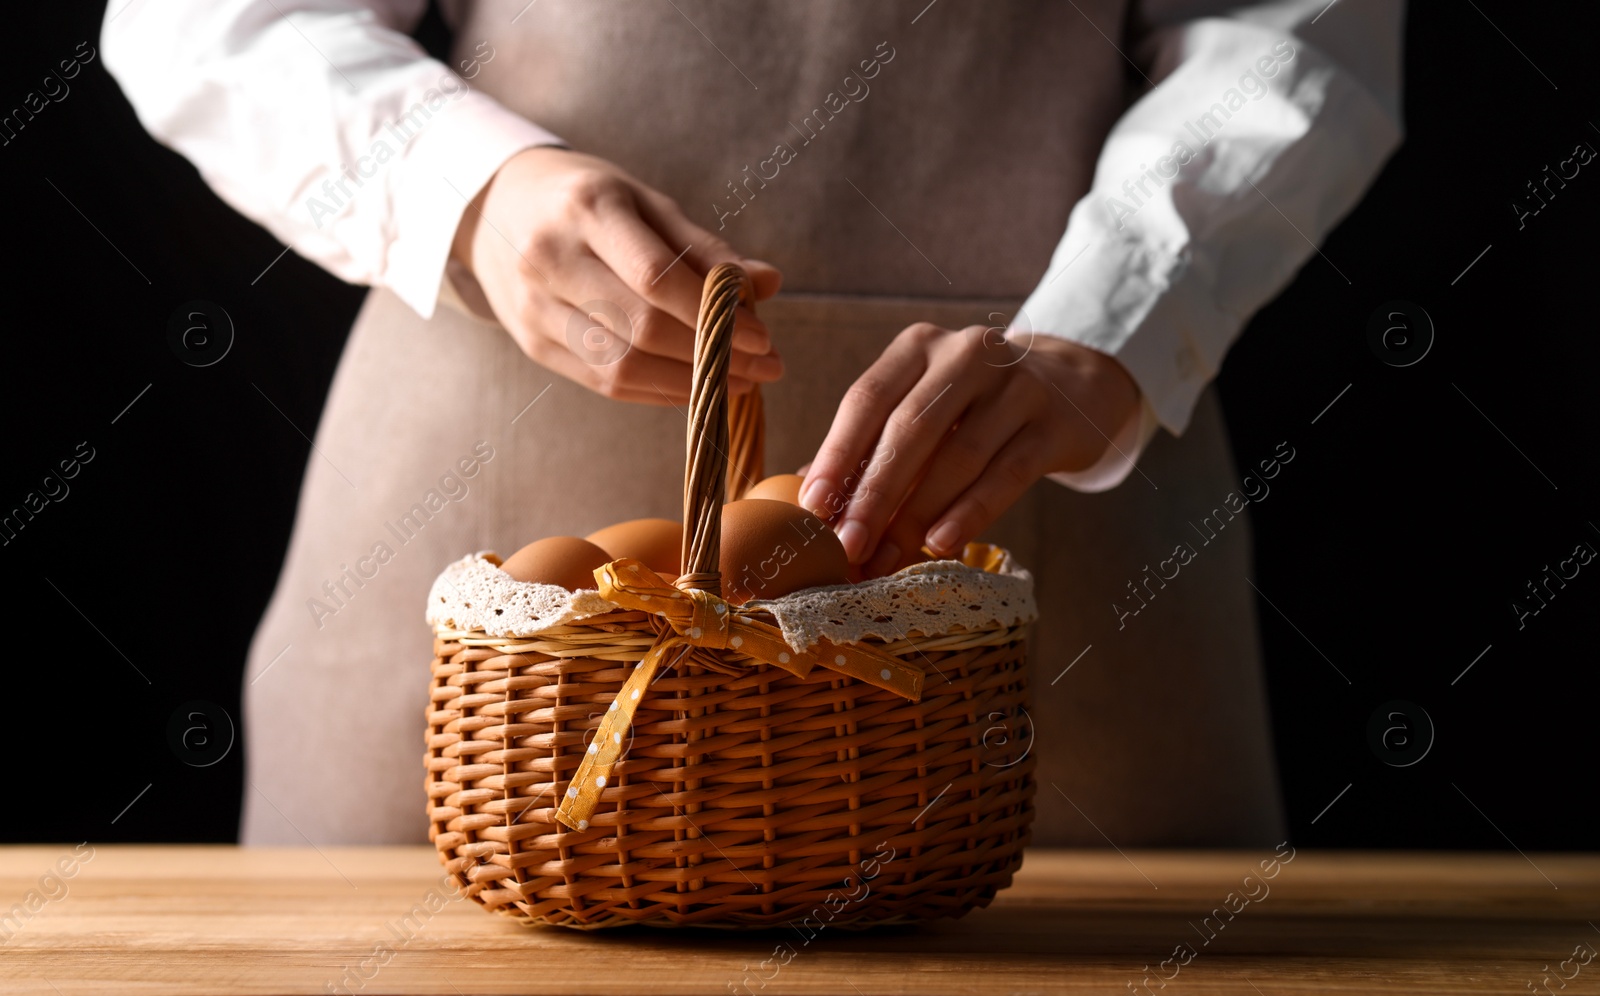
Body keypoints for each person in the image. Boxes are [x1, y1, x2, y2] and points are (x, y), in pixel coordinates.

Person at [103, 0, 1402, 847]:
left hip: (1064, 499)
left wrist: (1110, 325)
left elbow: (1294, 36)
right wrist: (469, 188)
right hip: (470, 503)